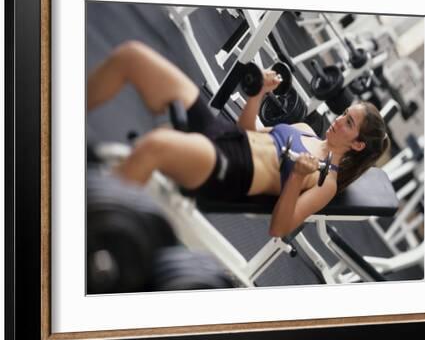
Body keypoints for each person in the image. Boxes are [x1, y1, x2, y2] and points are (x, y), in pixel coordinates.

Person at [88, 41, 390, 237]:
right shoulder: (305, 129)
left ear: (358, 144)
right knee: (133, 56)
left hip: (231, 167)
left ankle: (92, 231)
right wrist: (258, 96)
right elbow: (247, 131)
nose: (337, 120)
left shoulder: (327, 182)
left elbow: (280, 227)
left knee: (155, 146)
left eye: (348, 123)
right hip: (226, 134)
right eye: (344, 114)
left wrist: (297, 177)